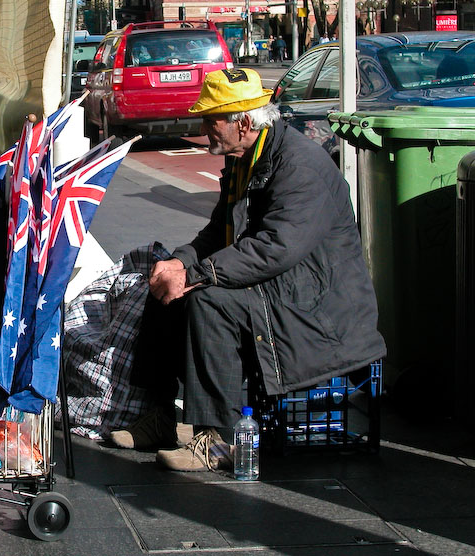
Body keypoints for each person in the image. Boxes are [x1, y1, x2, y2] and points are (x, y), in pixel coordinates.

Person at [108, 68, 386, 472]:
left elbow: (277, 248)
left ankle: (217, 439)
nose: (204, 129)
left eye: (211, 120)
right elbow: (216, 232)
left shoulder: (298, 166)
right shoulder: (245, 160)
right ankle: (161, 416)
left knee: (209, 302)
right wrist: (178, 264)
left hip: (315, 305)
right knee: (165, 285)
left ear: (242, 122)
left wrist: (198, 275)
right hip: (277, 285)